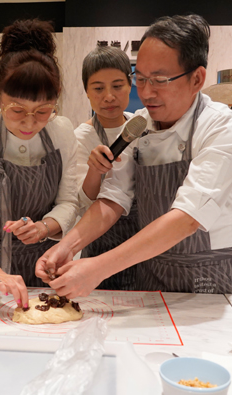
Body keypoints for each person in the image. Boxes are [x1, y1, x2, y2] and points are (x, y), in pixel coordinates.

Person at [36, 14, 232, 297]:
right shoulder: (138, 127)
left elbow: (188, 217)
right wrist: (66, 247)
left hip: (213, 274)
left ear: (197, 78)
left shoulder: (221, 126)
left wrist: (99, 268)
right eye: (140, 79)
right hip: (153, 271)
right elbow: (113, 198)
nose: (147, 92)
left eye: (160, 80)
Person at [0, 19, 78, 308]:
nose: (30, 123)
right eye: (17, 110)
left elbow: (69, 201)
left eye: (43, 111)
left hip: (49, 269)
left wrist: (45, 227)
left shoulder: (62, 131)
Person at [74, 45, 140, 290]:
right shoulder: (81, 137)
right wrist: (94, 169)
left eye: (117, 85)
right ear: (87, 92)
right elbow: (83, 202)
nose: (109, 96)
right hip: (99, 244)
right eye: (98, 88)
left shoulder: (142, 126)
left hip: (142, 245)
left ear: (130, 84)